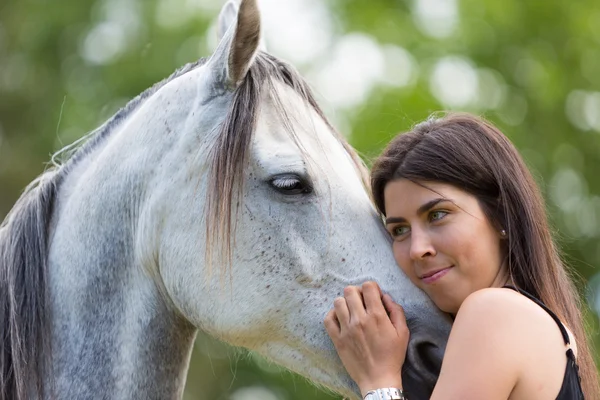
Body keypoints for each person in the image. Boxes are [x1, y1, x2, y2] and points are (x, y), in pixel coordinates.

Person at [324, 113, 600, 400]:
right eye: (400, 230)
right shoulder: (543, 330)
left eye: (438, 215)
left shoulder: (495, 313)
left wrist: (378, 382)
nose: (418, 249)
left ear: (501, 214)